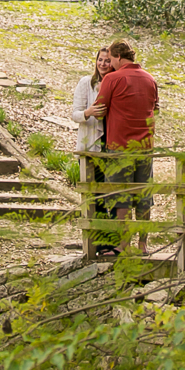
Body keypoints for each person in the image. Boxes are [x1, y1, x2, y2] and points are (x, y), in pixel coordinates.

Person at [93, 40, 158, 256]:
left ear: (119, 57)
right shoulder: (150, 79)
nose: (109, 63)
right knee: (143, 196)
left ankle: (123, 245)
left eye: (110, 59)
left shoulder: (112, 78)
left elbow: (100, 109)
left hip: (119, 145)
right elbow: (154, 107)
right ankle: (143, 245)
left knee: (121, 197)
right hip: (145, 145)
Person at [72, 47, 117, 255]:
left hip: (111, 145)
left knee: (113, 195)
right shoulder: (86, 83)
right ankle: (98, 243)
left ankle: (113, 242)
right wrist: (88, 113)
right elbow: (75, 114)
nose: (103, 64)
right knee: (95, 195)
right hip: (91, 146)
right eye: (100, 60)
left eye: (107, 61)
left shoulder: (116, 83)